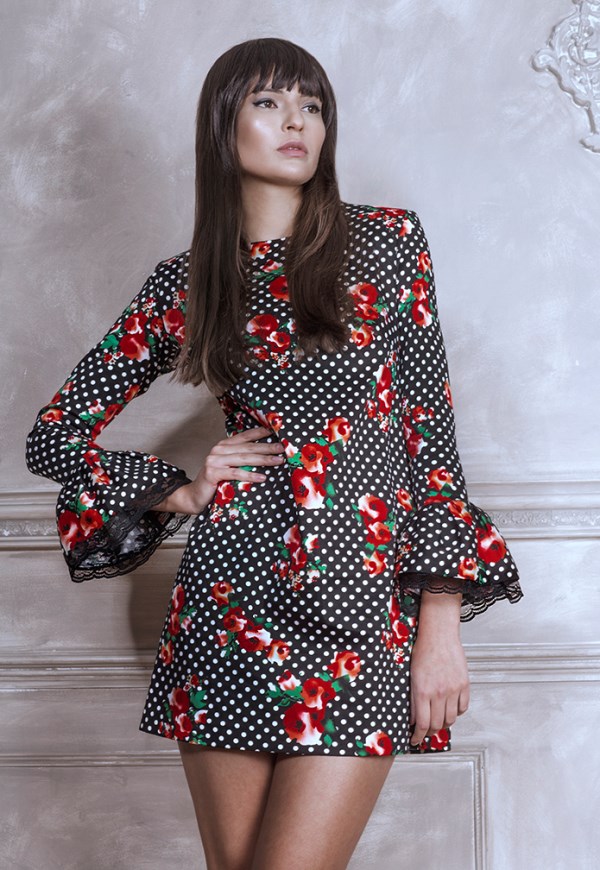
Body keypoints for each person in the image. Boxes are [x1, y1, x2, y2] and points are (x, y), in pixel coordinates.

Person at [25, 36, 524, 870]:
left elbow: (431, 443)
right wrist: (181, 491)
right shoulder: (187, 282)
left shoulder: (387, 242)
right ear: (223, 128)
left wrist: (439, 625)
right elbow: (54, 434)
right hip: (229, 602)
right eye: (268, 102)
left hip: (361, 601)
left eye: (312, 105)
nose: (297, 121)